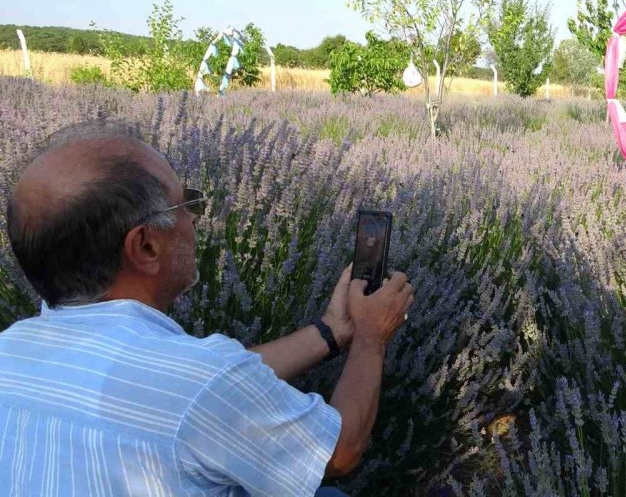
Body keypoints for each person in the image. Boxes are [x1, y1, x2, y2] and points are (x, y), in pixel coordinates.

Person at [0, 121, 414, 495]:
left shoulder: (10, 350)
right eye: (186, 205)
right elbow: (338, 453)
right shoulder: (198, 381)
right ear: (145, 246)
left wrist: (331, 331)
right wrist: (372, 337)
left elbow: (210, 386)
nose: (195, 220)